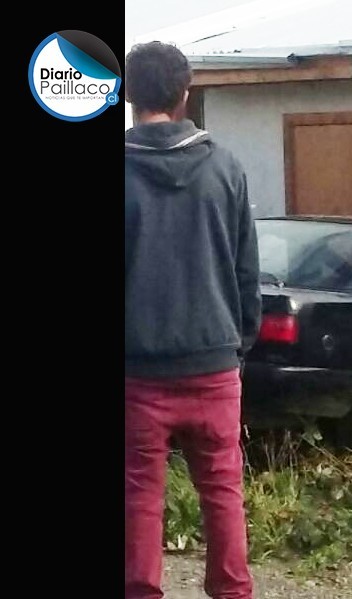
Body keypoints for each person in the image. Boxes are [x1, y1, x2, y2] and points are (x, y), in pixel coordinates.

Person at [125, 41, 261, 599]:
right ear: (185, 94)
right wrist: (238, 344)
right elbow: (246, 268)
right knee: (223, 488)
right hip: (213, 363)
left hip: (136, 369)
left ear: (127, 95)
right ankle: (232, 591)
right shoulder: (226, 168)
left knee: (138, 494)